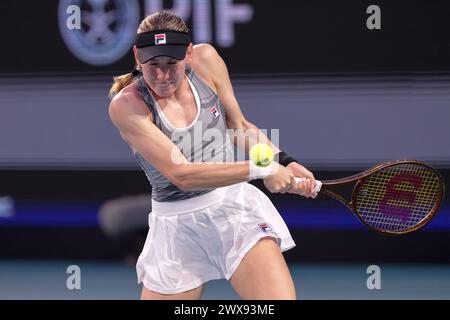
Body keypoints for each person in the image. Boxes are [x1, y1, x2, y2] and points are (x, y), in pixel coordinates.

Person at [108, 11, 318, 300]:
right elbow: (182, 174)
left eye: (172, 63)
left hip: (234, 212)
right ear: (137, 56)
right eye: (152, 64)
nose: (162, 75)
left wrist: (283, 161)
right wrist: (263, 169)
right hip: (176, 230)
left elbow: (239, 127)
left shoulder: (207, 61)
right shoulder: (127, 106)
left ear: (189, 53)